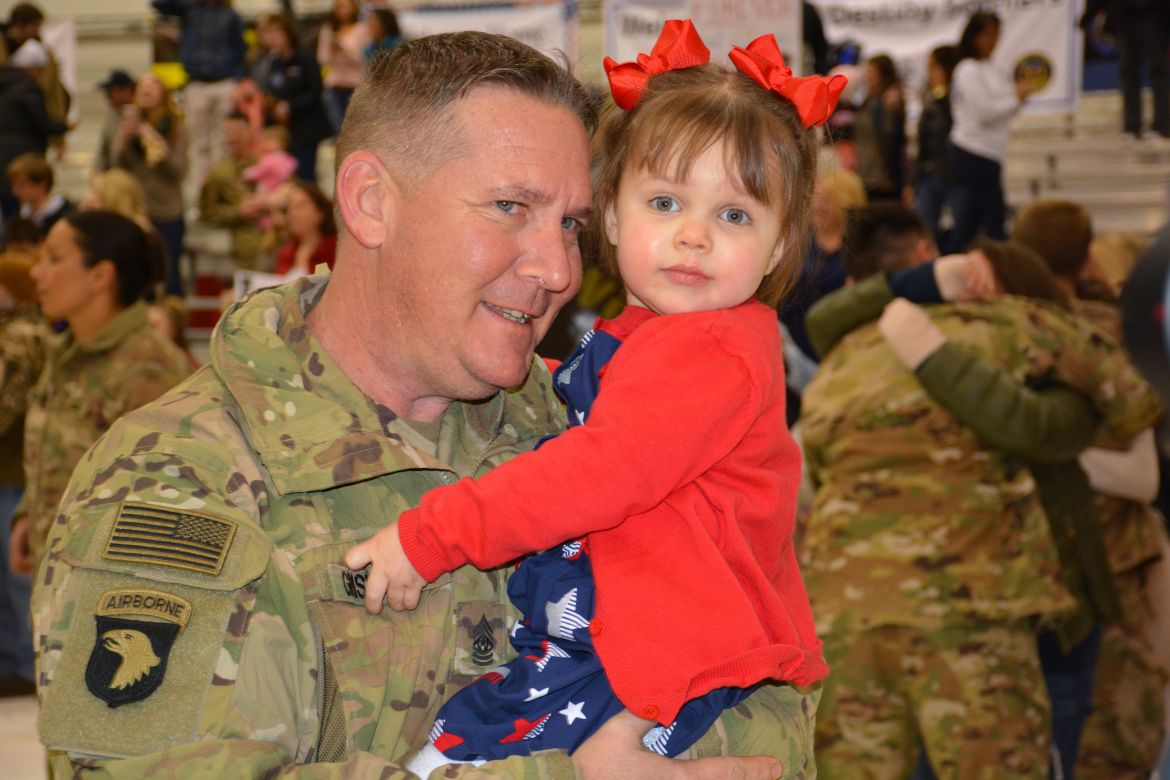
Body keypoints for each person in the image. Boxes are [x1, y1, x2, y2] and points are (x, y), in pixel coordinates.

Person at [30, 30, 814, 779]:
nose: (559, 270)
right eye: (510, 207)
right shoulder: (180, 479)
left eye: (570, 224)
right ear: (371, 202)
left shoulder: (582, 414)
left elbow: (769, 702)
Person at [344, 20, 839, 776]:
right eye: (665, 203)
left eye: (735, 215)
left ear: (777, 247)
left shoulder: (711, 350)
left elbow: (602, 470)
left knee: (446, 763)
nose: (695, 237)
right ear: (611, 215)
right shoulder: (657, 340)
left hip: (638, 665)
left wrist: (432, 536)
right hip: (620, 647)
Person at [799, 242, 1161, 778]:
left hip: (841, 607)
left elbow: (816, 456)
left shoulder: (856, 344)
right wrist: (1070, 411)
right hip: (975, 608)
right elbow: (1137, 399)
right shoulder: (1027, 323)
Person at [1012, 200, 1169, 779]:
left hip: (1033, 563)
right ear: (1085, 259)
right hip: (1108, 565)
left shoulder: (1002, 334)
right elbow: (1143, 477)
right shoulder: (1115, 338)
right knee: (1107, 736)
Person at [9, 211, 191, 579]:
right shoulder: (66, 352)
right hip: (56, 571)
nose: (36, 273)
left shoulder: (148, 368)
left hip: (107, 586)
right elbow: (55, 451)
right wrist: (31, 514)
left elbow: (164, 502)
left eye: (54, 259)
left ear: (100, 275)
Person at [945, 11, 1031, 252]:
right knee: (987, 219)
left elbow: (1003, 109)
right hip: (972, 151)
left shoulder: (994, 69)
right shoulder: (967, 69)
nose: (993, 40)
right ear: (973, 36)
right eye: (988, 34)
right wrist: (1016, 98)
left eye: (996, 34)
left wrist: (1015, 99)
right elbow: (984, 112)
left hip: (992, 152)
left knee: (974, 222)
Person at [0, 250, 45, 696]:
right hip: (10, 470)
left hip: (13, 472)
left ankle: (24, 664)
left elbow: (6, 406)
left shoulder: (20, 337)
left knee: (15, 574)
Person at [151, 0, 247, 188]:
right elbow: (159, 4)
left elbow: (241, 51)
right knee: (198, 142)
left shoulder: (230, 15)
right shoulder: (189, 9)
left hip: (224, 81)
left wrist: (238, 81)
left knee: (224, 141)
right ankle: (201, 189)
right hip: (196, 83)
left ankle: (223, 186)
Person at [112, 72, 189, 297]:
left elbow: (178, 171)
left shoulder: (177, 128)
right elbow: (116, 167)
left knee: (169, 276)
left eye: (152, 85)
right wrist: (123, 139)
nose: (146, 89)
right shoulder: (128, 125)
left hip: (166, 211)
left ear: (163, 94)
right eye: (142, 85)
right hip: (136, 211)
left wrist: (152, 138)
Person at [256, 14, 331, 183]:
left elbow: (316, 92)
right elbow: (269, 90)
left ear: (288, 33)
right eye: (269, 33)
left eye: (277, 32)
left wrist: (290, 106)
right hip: (283, 130)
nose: (273, 37)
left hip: (306, 126)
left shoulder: (305, 59)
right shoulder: (271, 63)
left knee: (305, 174)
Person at [1081, 0, 1170, 140]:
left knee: (1159, 71)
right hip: (1124, 14)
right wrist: (1089, 14)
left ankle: (1162, 126)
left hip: (1156, 13)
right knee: (1129, 72)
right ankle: (1131, 126)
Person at [0, 41, 65, 221]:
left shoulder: (6, 85)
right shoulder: (29, 87)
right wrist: (63, 126)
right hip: (23, 155)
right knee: (17, 211)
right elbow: (42, 122)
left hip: (7, 158)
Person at [198, 112, 266, 269]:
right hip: (242, 245)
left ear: (251, 132)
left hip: (274, 242)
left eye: (239, 131)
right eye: (229, 132)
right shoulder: (218, 171)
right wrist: (238, 212)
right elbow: (207, 212)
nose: (234, 137)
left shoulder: (268, 163)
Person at [913, 45, 959, 245]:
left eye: (935, 67)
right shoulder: (929, 98)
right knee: (925, 231)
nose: (930, 73)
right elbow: (924, 141)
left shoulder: (957, 99)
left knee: (956, 229)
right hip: (929, 172)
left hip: (952, 174)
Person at [853, 54, 906, 202]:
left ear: (883, 76)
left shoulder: (889, 104)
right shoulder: (867, 101)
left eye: (872, 74)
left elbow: (894, 142)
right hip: (864, 174)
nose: (868, 78)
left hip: (882, 179)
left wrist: (893, 176)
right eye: (867, 73)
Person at [317, 0, 370, 135]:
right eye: (339, 7)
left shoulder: (362, 29)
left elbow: (364, 59)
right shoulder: (329, 30)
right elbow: (322, 59)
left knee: (359, 129)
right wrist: (331, 47)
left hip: (356, 85)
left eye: (346, 7)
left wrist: (344, 49)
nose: (342, 11)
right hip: (334, 86)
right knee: (340, 131)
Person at [272, 180, 337, 275]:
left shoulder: (336, 249)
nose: (292, 213)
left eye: (300, 206)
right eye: (290, 208)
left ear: (320, 212)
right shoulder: (286, 253)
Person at [243, 125, 298, 230]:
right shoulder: (288, 158)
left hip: (269, 189)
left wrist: (247, 173)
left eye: (269, 141)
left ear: (281, 143)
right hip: (281, 189)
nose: (265, 144)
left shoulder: (269, 159)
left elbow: (258, 172)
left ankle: (267, 227)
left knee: (266, 211)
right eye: (264, 141)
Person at [6, 152, 72, 238]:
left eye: (22, 185)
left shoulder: (66, 216)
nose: (15, 191)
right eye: (14, 185)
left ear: (42, 184)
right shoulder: (19, 215)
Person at [93, 69, 137, 175]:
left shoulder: (141, 114)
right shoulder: (113, 115)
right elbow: (103, 154)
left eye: (110, 92)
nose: (107, 97)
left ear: (127, 91)